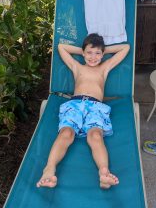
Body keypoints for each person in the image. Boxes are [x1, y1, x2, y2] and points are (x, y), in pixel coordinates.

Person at [36, 33, 130, 189]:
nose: (93, 57)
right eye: (89, 53)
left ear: (103, 54)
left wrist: (101, 50)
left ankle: (104, 173)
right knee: (66, 133)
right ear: (83, 52)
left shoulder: (104, 68)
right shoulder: (77, 67)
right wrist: (86, 50)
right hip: (75, 105)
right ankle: (49, 169)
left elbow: (125, 48)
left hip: (96, 107)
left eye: (97, 53)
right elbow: (61, 47)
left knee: (95, 135)